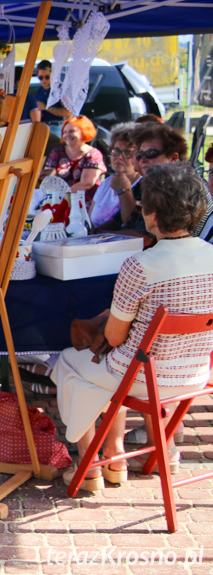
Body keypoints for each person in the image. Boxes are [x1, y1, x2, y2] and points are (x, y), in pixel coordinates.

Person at [52, 163, 213, 492]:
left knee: (68, 361)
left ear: (151, 213)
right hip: (195, 374)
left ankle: (91, 466)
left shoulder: (140, 265)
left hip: (143, 378)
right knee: (108, 369)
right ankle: (116, 454)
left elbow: (113, 337)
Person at [122, 122, 189, 233]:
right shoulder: (150, 184)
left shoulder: (178, 187)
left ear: (173, 157)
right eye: (140, 155)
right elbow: (129, 224)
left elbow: (146, 238)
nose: (143, 160)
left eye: (151, 153)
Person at [88, 123, 140, 231]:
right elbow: (89, 221)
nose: (119, 157)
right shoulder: (106, 183)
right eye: (116, 151)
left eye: (127, 152)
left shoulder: (142, 186)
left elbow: (129, 223)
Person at [41, 116, 106, 201]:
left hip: (84, 203)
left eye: (72, 131)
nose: (67, 135)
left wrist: (62, 197)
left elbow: (86, 184)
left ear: (83, 132)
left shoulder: (93, 154)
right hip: (58, 200)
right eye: (65, 132)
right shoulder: (57, 152)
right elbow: (49, 179)